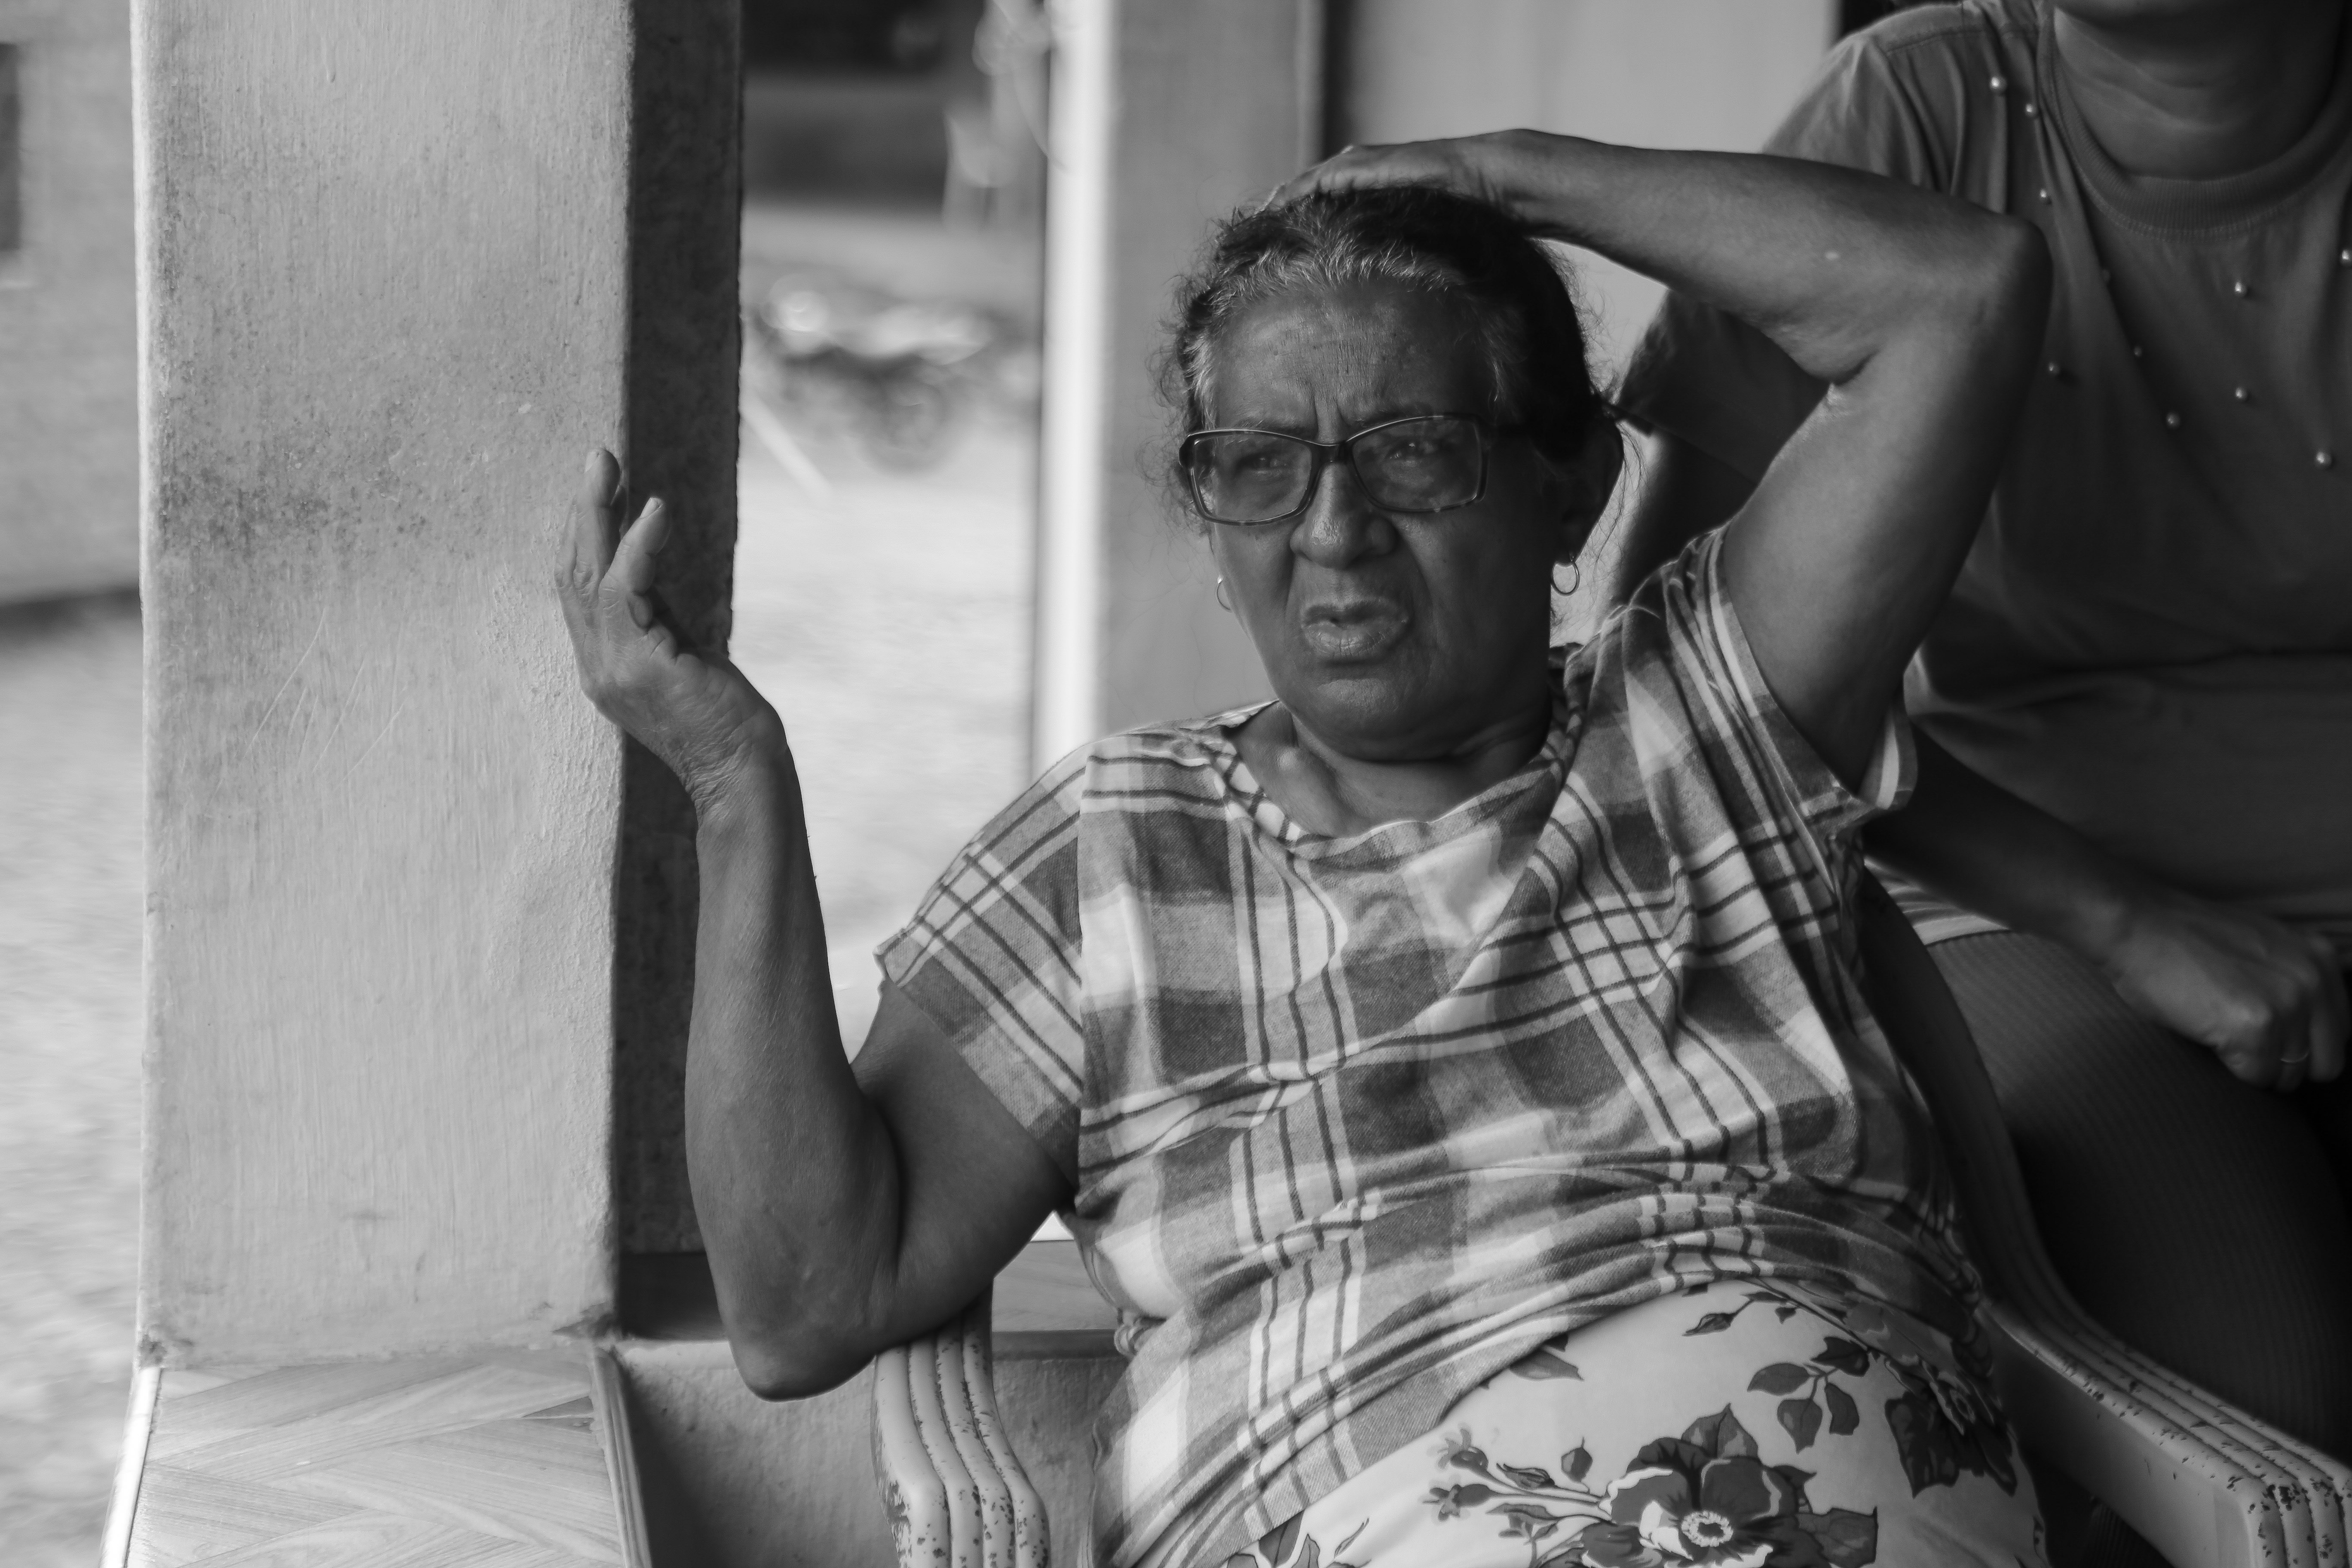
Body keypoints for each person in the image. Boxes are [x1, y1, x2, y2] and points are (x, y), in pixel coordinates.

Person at [558, 131, 2049, 1567]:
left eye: (1412, 451)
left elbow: (1960, 293)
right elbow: (805, 1304)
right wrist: (733, 783)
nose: (1334, 529)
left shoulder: (1708, 710)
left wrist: (1503, 177)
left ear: (1573, 487)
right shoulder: (1113, 851)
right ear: (1212, 523)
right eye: (1260, 465)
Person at [1608, 0, 2352, 1472]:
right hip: (2033, 912)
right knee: (2275, 1425)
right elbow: (1690, 674)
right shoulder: (1925, 104)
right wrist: (2128, 921)